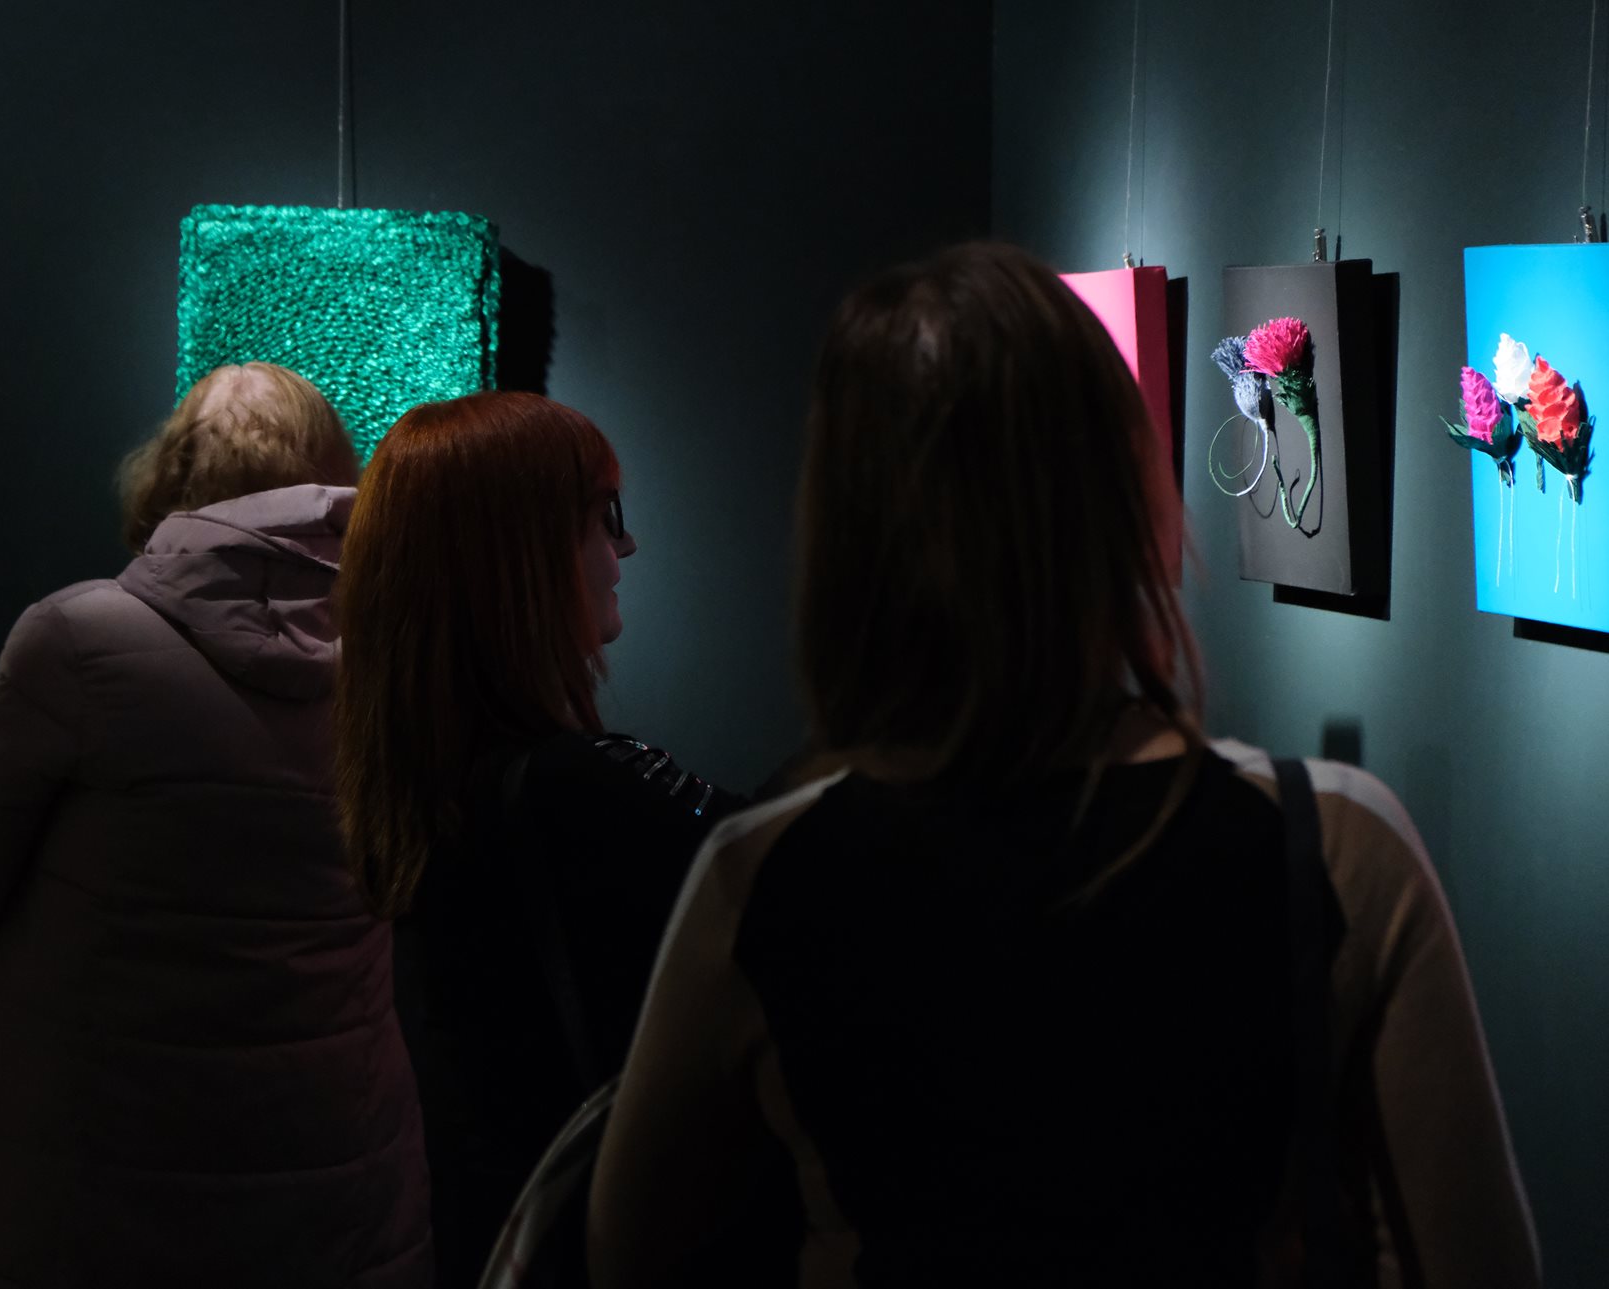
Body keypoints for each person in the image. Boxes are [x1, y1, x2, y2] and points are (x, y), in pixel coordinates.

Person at [587, 243, 1542, 1288]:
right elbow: (1476, 1258)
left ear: (843, 530)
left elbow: (627, 1249)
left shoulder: (760, 875)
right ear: (1127, 493)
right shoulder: (1333, 844)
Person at [0, 363, 430, 1289]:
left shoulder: (78, 643)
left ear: (172, 472)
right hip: (323, 1201)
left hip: (72, 1201)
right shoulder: (397, 665)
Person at [331, 390, 745, 1286]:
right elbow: (798, 879)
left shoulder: (419, 790)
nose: (625, 548)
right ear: (521, 555)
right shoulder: (573, 787)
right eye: (604, 517)